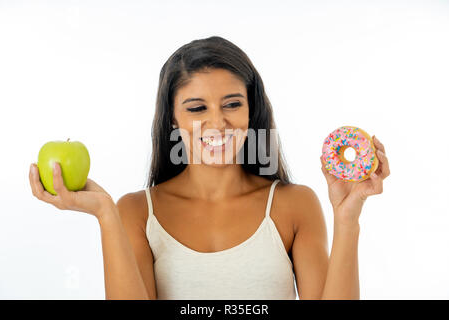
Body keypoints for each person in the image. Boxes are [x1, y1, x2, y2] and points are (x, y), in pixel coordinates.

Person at [29, 36, 390, 300]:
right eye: (197, 108)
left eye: (232, 104)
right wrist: (106, 215)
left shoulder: (294, 204)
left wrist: (347, 219)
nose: (217, 123)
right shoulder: (136, 212)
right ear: (172, 120)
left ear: (252, 112)